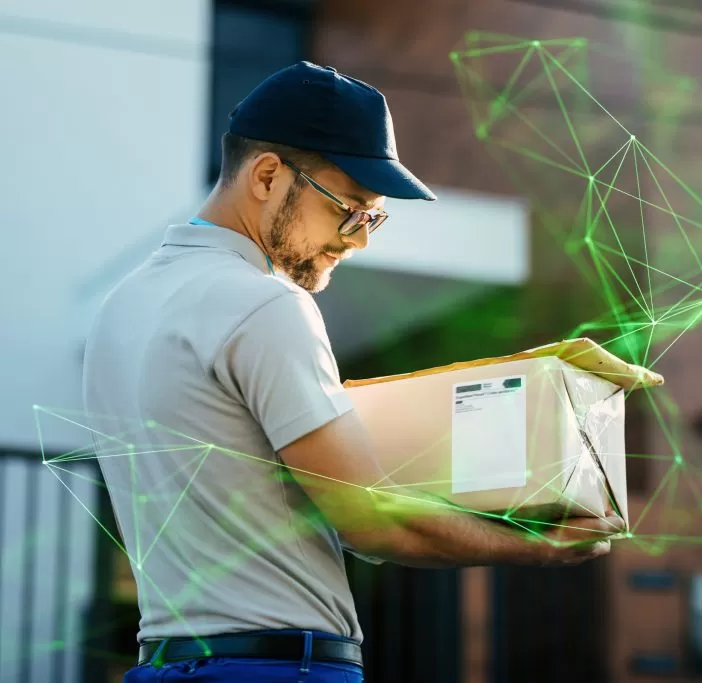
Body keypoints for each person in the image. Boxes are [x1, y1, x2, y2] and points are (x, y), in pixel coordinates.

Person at [82, 61, 623, 682]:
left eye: (372, 218)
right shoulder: (264, 303)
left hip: (162, 666)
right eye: (352, 209)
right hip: (278, 670)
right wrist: (538, 547)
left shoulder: (122, 307)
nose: (358, 239)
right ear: (266, 176)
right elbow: (372, 522)